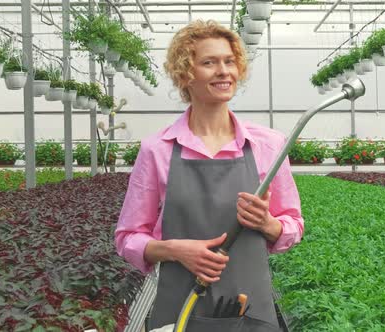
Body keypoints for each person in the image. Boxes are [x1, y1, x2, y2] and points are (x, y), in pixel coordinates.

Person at [115, 19, 304, 331]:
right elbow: (127, 237)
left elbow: (293, 225)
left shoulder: (268, 145)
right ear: (186, 74)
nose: (223, 71)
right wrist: (175, 250)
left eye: (229, 61)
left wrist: (267, 224)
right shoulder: (157, 149)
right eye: (209, 62)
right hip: (181, 307)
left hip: (250, 308)